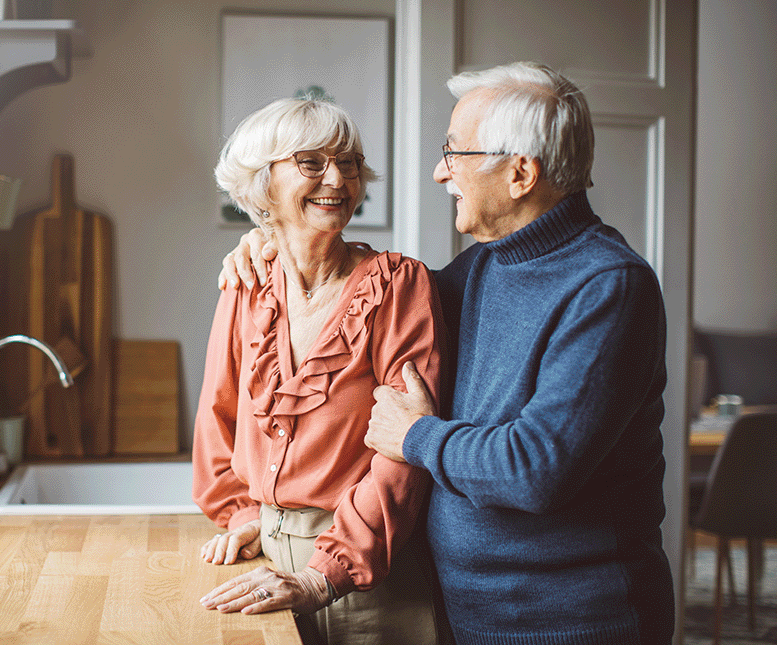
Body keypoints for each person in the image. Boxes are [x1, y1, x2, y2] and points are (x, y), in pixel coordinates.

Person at [219, 62, 675, 645]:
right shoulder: (483, 266)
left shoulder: (610, 286)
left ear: (520, 173)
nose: (440, 172)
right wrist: (272, 238)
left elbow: (537, 469)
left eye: (455, 154)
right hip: (467, 611)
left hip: (573, 623)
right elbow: (367, 299)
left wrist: (416, 436)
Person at [193, 97, 448, 645]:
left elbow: (403, 453)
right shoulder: (246, 283)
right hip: (258, 567)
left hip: (369, 582)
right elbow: (219, 416)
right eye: (311, 162)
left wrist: (322, 573)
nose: (338, 178)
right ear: (262, 184)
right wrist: (243, 515)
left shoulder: (399, 287)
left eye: (349, 162)